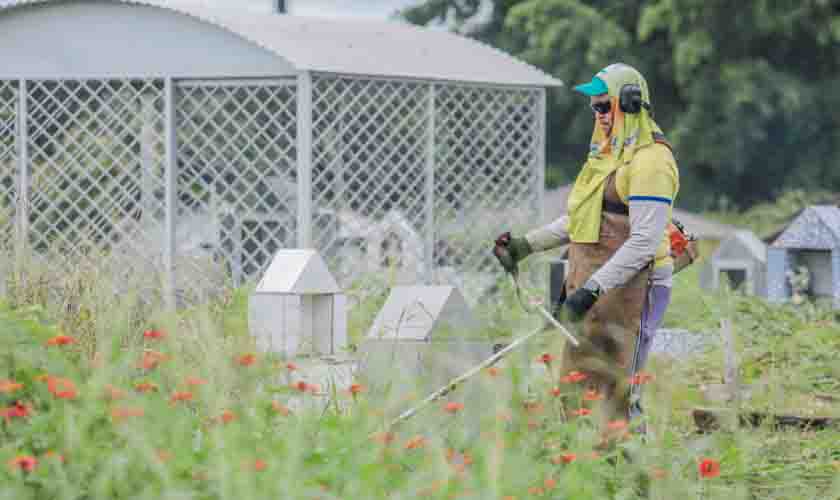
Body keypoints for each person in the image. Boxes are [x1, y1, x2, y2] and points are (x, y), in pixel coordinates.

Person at [494, 63, 694, 434]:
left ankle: (640, 482)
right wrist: (526, 245)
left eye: (606, 106)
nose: (599, 115)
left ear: (631, 104)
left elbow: (645, 242)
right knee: (577, 387)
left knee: (621, 390)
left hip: (635, 288)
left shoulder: (651, 161)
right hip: (595, 285)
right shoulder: (605, 154)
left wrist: (590, 291)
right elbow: (580, 219)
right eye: (595, 108)